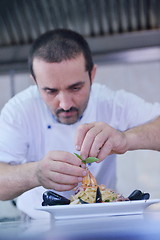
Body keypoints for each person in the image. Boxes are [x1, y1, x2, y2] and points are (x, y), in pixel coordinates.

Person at [0, 29, 160, 219]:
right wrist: (35, 174)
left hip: (104, 218)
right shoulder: (18, 111)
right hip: (36, 222)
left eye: (75, 88)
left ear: (92, 74)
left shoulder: (112, 102)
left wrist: (126, 139)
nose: (65, 104)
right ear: (35, 82)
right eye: (50, 91)